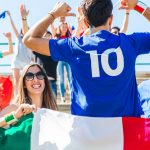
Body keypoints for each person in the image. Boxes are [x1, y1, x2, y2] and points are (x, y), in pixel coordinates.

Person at [23, 0, 150, 117]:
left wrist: (54, 14)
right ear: (110, 20)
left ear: (84, 22)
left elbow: (29, 40)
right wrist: (138, 6)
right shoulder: (130, 43)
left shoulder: (74, 46)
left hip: (85, 133)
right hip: (126, 133)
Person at [0, 63, 57, 127]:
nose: (35, 79)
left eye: (40, 75)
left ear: (44, 81)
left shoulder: (51, 110)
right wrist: (15, 115)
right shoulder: (15, 108)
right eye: (29, 76)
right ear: (24, 84)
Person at [7, 4, 34, 96]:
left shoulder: (30, 39)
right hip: (17, 60)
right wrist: (10, 17)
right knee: (16, 79)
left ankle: (25, 95)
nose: (23, 29)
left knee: (26, 79)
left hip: (26, 61)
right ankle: (16, 96)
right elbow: (13, 26)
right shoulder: (18, 37)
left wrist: (24, 18)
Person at [51, 22, 72, 103]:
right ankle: (63, 97)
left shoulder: (69, 37)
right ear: (59, 28)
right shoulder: (57, 36)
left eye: (65, 27)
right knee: (61, 78)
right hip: (60, 60)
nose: (64, 28)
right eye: (62, 27)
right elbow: (52, 28)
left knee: (70, 78)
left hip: (67, 60)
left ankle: (71, 97)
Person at [34, 31, 58, 97]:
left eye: (49, 36)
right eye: (45, 37)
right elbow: (30, 41)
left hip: (52, 82)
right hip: (42, 81)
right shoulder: (38, 51)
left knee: (53, 105)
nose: (47, 38)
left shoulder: (55, 52)